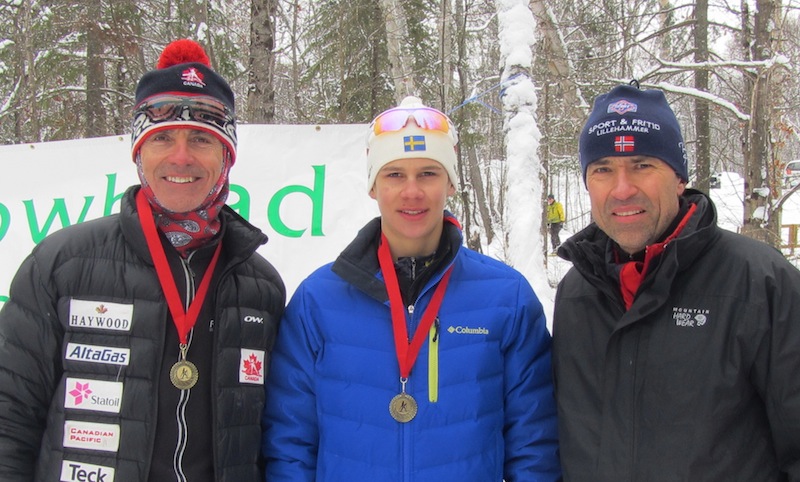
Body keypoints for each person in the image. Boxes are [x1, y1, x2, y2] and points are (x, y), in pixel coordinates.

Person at [0, 39, 285, 481]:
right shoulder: (60, 264)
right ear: (139, 152)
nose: (180, 157)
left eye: (202, 139)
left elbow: (270, 439)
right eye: (163, 138)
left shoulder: (260, 286)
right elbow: (9, 418)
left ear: (226, 156)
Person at [262, 96, 561, 481]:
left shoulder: (506, 298)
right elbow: (290, 443)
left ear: (451, 182)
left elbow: (533, 445)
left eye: (428, 173)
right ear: (373, 187)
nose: (412, 192)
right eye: (394, 175)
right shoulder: (317, 300)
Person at [552, 81, 800, 480]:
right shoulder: (577, 292)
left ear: (679, 177)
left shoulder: (759, 284)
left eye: (642, 165)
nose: (622, 189)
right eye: (603, 170)